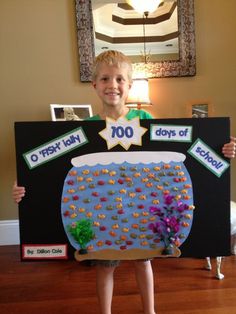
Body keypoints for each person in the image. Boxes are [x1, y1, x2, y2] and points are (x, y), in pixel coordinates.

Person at [12, 50, 236, 314]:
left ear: (129, 85)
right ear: (94, 84)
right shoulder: (85, 129)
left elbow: (188, 149)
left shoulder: (149, 123)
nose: (113, 85)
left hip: (141, 209)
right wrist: (25, 183)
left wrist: (224, 150)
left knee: (143, 261)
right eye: (105, 79)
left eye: (120, 79)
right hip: (103, 212)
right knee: (105, 265)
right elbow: (49, 167)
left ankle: (149, 311)